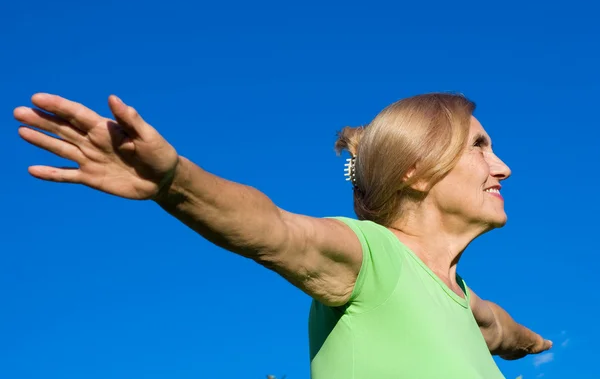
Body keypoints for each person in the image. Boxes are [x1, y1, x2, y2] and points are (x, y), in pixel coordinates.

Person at [14, 92, 552, 379]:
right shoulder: (371, 258)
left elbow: (499, 328)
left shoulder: (463, 300)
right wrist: (174, 180)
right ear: (416, 170)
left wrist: (532, 342)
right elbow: (271, 228)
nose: (502, 167)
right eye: (479, 146)